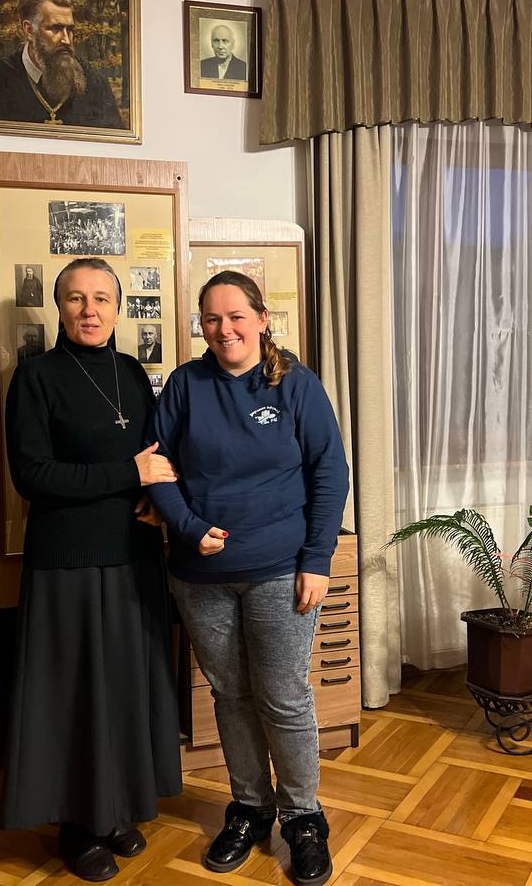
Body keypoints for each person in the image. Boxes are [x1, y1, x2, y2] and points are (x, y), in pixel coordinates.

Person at [147, 271, 349, 886]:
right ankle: (250, 808)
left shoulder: (295, 383)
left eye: (236, 316)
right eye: (211, 319)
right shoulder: (185, 384)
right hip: (200, 575)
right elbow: (155, 467)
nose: (224, 329)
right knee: (230, 695)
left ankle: (303, 818)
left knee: (283, 696)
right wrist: (187, 528)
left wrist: (317, 560)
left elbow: (330, 471)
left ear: (262, 319)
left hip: (279, 571)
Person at [0, 257, 182, 882]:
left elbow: (155, 456)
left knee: (125, 692)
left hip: (133, 556)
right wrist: (129, 474)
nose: (89, 310)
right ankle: (77, 826)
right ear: (58, 307)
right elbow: (34, 476)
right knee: (74, 697)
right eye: (76, 298)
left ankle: (117, 808)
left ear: (118, 307)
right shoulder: (35, 378)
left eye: (102, 298)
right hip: (67, 564)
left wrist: (155, 501)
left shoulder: (131, 373)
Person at [0, 0, 123, 128]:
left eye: (69, 30)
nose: (66, 40)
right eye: (55, 29)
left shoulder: (95, 83)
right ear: (29, 30)